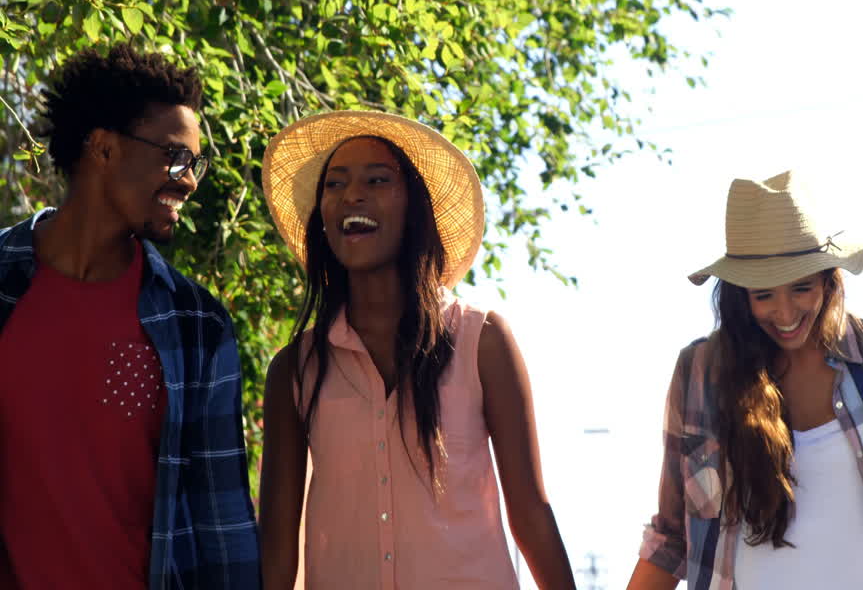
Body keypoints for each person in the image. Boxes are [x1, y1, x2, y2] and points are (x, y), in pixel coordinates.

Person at [257, 111, 576, 589]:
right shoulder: (295, 371)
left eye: (377, 180)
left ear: (415, 207)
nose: (352, 196)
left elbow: (531, 516)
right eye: (335, 184)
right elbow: (277, 549)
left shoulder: (482, 343)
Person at [627, 171, 863, 590]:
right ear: (740, 296)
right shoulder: (702, 372)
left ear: (829, 280)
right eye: (764, 295)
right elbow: (672, 537)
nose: (786, 312)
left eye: (801, 287)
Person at [0, 44, 261, 589]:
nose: (190, 180)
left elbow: (223, 529)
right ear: (102, 149)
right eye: (175, 157)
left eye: (196, 164)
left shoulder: (197, 326)